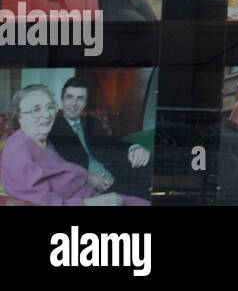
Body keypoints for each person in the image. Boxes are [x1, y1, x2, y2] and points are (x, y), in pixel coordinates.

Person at [0, 84, 147, 206]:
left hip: (94, 189)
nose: (46, 114)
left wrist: (134, 147)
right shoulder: (18, 151)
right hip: (88, 199)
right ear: (20, 117)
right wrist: (91, 202)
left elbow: (110, 144)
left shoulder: (42, 139)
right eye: (36, 109)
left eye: (50, 107)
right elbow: (43, 201)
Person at [46, 76, 151, 200]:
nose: (74, 103)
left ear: (85, 103)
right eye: (69, 97)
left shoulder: (92, 122)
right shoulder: (51, 128)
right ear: (62, 100)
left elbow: (112, 144)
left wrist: (134, 148)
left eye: (80, 98)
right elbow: (54, 164)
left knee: (145, 166)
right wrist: (86, 177)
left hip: (114, 174)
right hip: (85, 186)